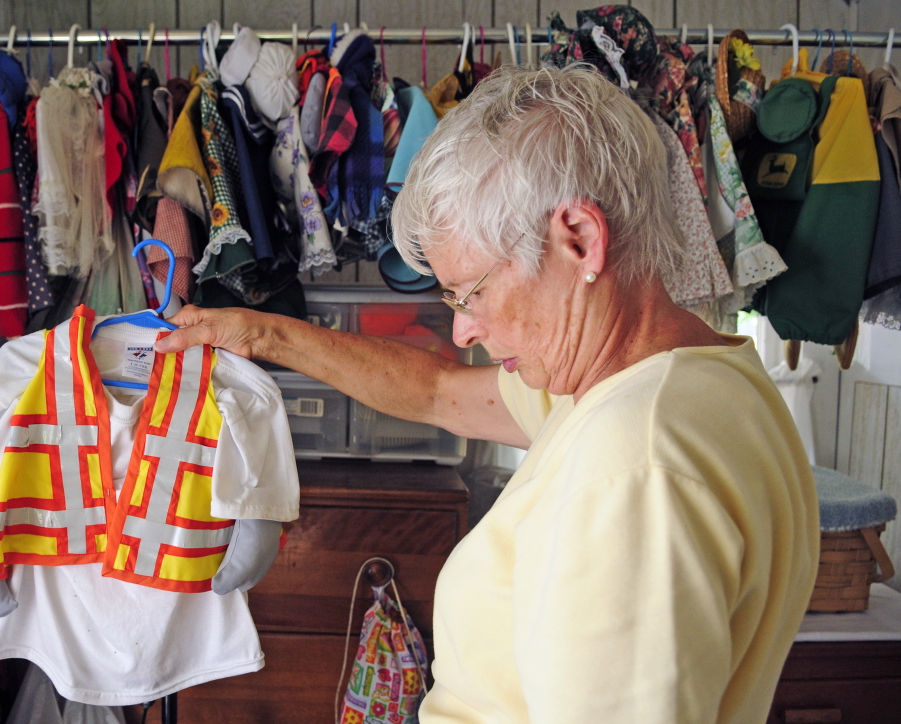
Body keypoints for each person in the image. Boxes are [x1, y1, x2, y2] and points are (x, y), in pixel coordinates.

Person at [155, 66, 819, 723]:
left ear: (580, 240)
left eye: (470, 292)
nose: (463, 329)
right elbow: (440, 393)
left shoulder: (631, 465)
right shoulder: (694, 384)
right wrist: (264, 336)